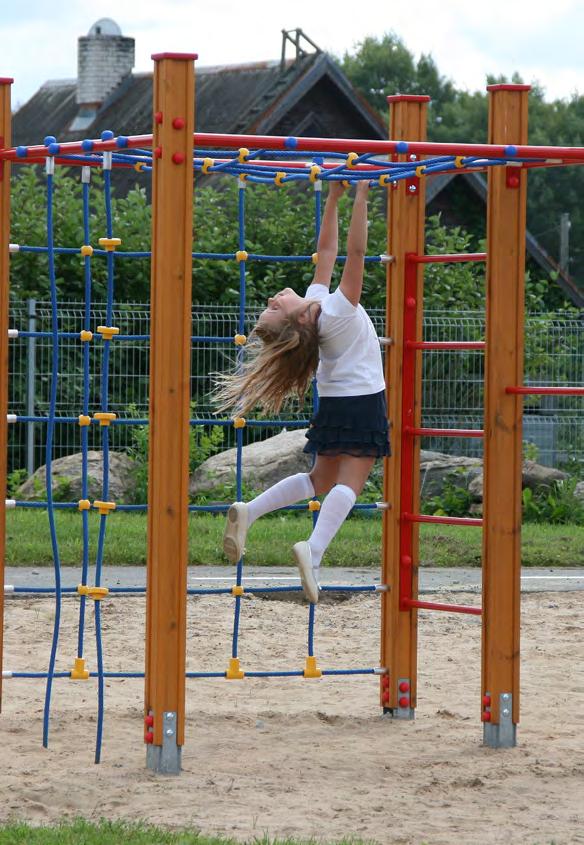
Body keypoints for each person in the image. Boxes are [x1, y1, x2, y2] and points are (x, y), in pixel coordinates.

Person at [215, 179, 390, 603]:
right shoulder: (338, 311)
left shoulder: (320, 306)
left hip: (333, 403)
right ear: (297, 321)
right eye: (275, 307)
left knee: (321, 478)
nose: (274, 297)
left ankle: (250, 511)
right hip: (364, 402)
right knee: (351, 481)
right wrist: (361, 197)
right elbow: (355, 254)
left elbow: (326, 252)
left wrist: (333, 198)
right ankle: (313, 550)